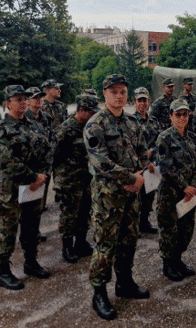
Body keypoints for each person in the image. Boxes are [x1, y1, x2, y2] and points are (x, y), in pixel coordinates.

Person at [84, 74, 150, 321]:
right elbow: (100, 163)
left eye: (122, 91)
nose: (119, 96)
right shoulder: (95, 125)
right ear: (105, 94)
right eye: (114, 92)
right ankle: (99, 293)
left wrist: (140, 173)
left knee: (129, 240)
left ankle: (124, 282)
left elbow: (143, 150)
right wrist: (131, 178)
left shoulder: (132, 122)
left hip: (131, 196)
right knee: (105, 245)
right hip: (108, 198)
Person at [0, 85, 52, 290]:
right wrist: (33, 176)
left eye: (24, 98)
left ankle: (31, 262)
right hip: (11, 187)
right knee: (7, 230)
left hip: (34, 186)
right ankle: (3, 271)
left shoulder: (34, 124)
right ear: (8, 102)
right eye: (18, 99)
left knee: (31, 227)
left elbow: (47, 150)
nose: (23, 102)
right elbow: (5, 160)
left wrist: (42, 176)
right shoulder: (2, 128)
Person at [156, 99, 196, 281]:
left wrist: (194, 186)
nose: (182, 118)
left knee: (186, 229)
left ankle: (178, 259)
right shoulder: (164, 138)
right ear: (170, 116)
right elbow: (166, 167)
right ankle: (168, 264)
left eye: (185, 114)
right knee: (170, 230)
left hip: (188, 194)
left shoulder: (193, 138)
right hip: (170, 193)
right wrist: (185, 186)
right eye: (178, 114)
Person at [53, 94, 100, 264]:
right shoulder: (66, 129)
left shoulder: (90, 127)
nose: (94, 115)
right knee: (69, 214)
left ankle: (81, 242)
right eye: (91, 112)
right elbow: (54, 156)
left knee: (84, 212)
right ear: (81, 110)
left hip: (87, 179)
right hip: (69, 181)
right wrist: (60, 178)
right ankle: (67, 246)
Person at [24, 86, 54, 229]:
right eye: (35, 98)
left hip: (44, 166)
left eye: (40, 97)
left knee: (39, 202)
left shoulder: (46, 117)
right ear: (27, 101)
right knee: (26, 202)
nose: (38, 100)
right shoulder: (23, 119)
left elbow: (51, 139)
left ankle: (35, 229)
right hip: (29, 167)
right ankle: (28, 231)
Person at [133, 87, 159, 234]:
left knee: (149, 196)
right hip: (137, 166)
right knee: (136, 197)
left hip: (152, 166)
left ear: (149, 102)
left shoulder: (154, 121)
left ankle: (144, 222)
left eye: (145, 100)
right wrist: (144, 156)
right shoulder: (130, 121)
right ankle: (134, 226)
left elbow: (160, 141)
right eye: (139, 100)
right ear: (134, 102)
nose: (142, 103)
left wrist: (152, 152)